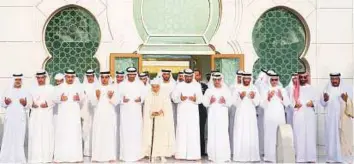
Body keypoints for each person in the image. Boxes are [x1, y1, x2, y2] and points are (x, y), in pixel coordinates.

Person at [320, 73, 353, 163]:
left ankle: (344, 158)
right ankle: (331, 158)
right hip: (331, 119)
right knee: (331, 137)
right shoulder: (326, 89)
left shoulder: (346, 89)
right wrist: (325, 99)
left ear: (339, 79)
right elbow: (322, 103)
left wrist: (347, 99)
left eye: (336, 79)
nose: (334, 81)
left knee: (344, 137)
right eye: (332, 79)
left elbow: (352, 102)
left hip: (343, 119)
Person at [172, 68, 203, 160]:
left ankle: (193, 155)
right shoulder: (179, 85)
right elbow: (174, 97)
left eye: (190, 76)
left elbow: (201, 99)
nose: (188, 78)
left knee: (193, 132)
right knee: (181, 132)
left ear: (192, 76)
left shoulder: (197, 85)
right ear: (184, 76)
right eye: (187, 76)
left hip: (193, 113)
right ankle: (181, 154)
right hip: (182, 112)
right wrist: (180, 98)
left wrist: (195, 99)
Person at [53, 69, 83, 163]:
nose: (70, 79)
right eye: (68, 77)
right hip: (63, 116)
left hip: (74, 115)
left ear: (74, 77)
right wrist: (60, 98)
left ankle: (76, 157)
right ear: (65, 77)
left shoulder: (79, 87)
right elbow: (54, 99)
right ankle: (60, 157)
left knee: (74, 134)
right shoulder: (59, 87)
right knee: (62, 134)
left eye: (72, 77)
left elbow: (83, 98)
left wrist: (79, 98)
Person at [142, 78, 175, 162]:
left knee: (162, 137)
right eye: (153, 87)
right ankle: (152, 155)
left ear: (159, 87)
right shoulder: (148, 95)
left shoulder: (164, 95)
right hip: (151, 120)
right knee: (151, 136)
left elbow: (167, 107)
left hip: (161, 120)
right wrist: (151, 113)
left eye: (157, 87)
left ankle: (162, 155)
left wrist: (161, 112)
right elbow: (147, 108)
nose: (155, 89)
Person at [0, 73, 30, 163]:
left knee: (19, 137)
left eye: (19, 80)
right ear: (13, 80)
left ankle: (19, 159)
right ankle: (6, 158)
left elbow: (29, 105)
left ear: (21, 81)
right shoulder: (7, 91)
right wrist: (6, 103)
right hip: (10, 118)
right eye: (16, 79)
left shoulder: (25, 91)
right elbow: (1, 103)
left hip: (20, 118)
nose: (18, 81)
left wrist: (25, 103)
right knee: (8, 137)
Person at [261, 70, 290, 162]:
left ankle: (280, 155)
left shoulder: (282, 90)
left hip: (279, 116)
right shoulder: (265, 90)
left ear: (278, 80)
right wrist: (268, 98)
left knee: (279, 135)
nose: (274, 81)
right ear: (269, 80)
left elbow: (287, 103)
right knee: (270, 135)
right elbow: (262, 105)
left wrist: (281, 97)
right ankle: (269, 156)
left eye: (276, 80)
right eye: (272, 80)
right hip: (269, 116)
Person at [202, 72, 232, 162]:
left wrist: (225, 101)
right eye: (215, 80)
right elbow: (204, 102)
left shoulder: (226, 90)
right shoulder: (209, 91)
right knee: (213, 133)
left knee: (222, 134)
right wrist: (209, 101)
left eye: (219, 80)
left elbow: (230, 102)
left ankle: (224, 155)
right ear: (213, 80)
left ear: (221, 80)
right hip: (212, 116)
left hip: (222, 116)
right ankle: (212, 155)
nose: (217, 81)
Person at [28, 70, 55, 163]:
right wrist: (31, 104)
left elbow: (55, 100)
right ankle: (36, 157)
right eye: (38, 78)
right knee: (35, 134)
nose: (40, 80)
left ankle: (47, 157)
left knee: (46, 134)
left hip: (46, 115)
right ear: (36, 78)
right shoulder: (32, 88)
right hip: (35, 115)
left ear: (45, 78)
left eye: (42, 78)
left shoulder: (51, 88)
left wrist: (47, 104)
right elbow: (28, 101)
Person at [91, 71, 119, 162]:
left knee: (109, 134)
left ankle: (110, 156)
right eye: (102, 77)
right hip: (99, 115)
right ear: (100, 78)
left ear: (109, 78)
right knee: (98, 133)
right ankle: (96, 156)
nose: (104, 79)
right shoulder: (96, 88)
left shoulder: (113, 87)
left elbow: (116, 102)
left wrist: (111, 97)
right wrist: (97, 96)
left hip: (109, 115)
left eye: (106, 77)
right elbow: (92, 103)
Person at [232, 72, 260, 162]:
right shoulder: (237, 88)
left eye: (248, 79)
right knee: (240, 133)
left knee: (251, 133)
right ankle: (239, 156)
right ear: (243, 79)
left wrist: (253, 97)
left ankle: (252, 156)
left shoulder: (254, 88)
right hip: (240, 114)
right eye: (245, 79)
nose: (247, 80)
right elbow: (234, 103)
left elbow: (258, 102)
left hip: (251, 115)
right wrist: (240, 97)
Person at [119, 67, 145, 162]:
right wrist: (122, 100)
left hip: (136, 112)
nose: (132, 76)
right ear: (127, 74)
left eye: (133, 74)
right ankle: (125, 155)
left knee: (136, 132)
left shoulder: (140, 84)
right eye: (130, 74)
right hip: (125, 113)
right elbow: (117, 97)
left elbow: (145, 95)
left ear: (135, 75)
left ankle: (137, 155)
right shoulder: (121, 85)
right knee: (125, 132)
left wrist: (141, 99)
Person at [291, 71, 317, 163]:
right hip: (298, 115)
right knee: (299, 135)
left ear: (307, 78)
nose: (302, 79)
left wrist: (313, 103)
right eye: (301, 77)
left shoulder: (312, 88)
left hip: (309, 115)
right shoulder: (294, 89)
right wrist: (295, 105)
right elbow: (290, 102)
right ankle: (300, 158)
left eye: (304, 77)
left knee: (310, 135)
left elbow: (316, 101)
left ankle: (311, 157)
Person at [81, 69, 99, 157]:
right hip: (86, 111)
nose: (90, 78)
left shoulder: (97, 85)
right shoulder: (82, 86)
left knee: (95, 129)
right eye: (88, 76)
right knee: (86, 130)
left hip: (96, 111)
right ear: (86, 77)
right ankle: (86, 151)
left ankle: (95, 150)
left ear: (93, 76)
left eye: (91, 76)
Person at [228, 70, 243, 156]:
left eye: (242, 76)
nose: (240, 78)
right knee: (233, 130)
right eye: (239, 76)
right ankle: (233, 150)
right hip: (234, 111)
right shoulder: (232, 86)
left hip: (244, 112)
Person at [194, 69, 208, 156]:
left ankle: (202, 151)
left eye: (197, 75)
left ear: (200, 76)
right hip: (191, 112)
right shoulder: (188, 86)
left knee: (201, 131)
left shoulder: (204, 86)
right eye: (194, 75)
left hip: (201, 111)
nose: (196, 77)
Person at [114, 70, 124, 159]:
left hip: (123, 113)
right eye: (118, 77)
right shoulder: (112, 85)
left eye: (121, 77)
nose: (119, 79)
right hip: (113, 112)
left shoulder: (124, 86)